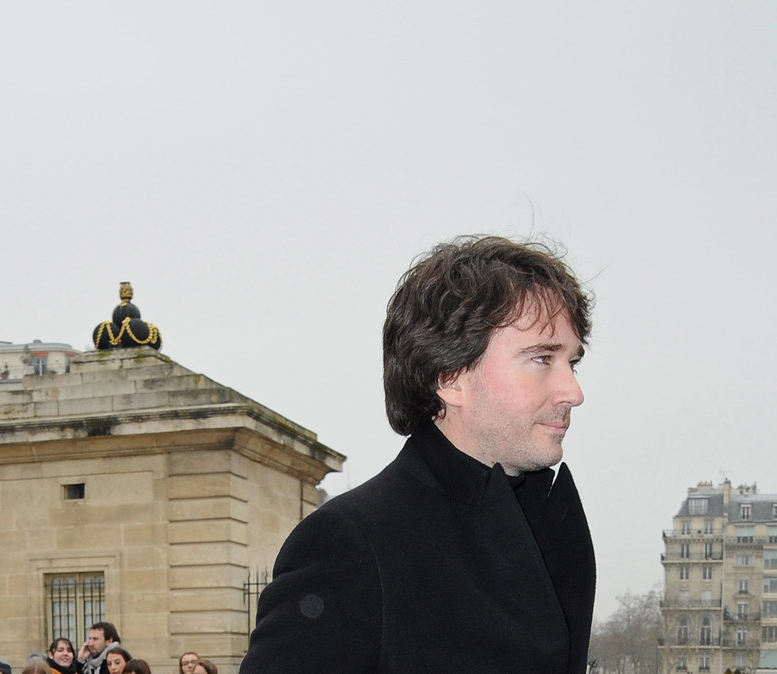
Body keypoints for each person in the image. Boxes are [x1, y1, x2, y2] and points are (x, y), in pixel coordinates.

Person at [239, 236, 596, 673]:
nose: (573, 392)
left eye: (572, 363)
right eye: (542, 358)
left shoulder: (549, 525)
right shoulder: (352, 542)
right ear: (450, 376)